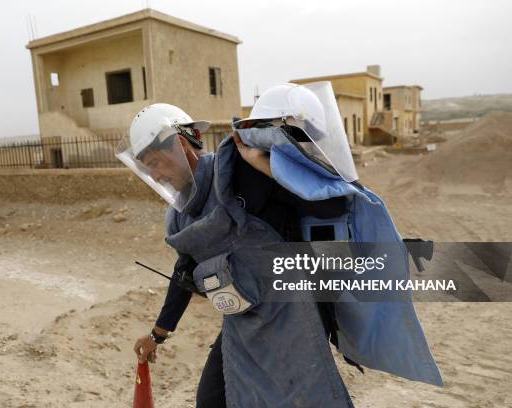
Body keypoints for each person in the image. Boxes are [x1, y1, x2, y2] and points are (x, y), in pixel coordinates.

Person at [118, 83, 442, 408]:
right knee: (213, 400)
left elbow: (329, 206)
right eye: (148, 169)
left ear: (179, 146)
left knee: (305, 398)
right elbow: (183, 271)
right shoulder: (180, 216)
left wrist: (261, 163)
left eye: (156, 162)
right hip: (244, 323)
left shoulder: (239, 171)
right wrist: (158, 334)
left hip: (293, 315)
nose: (156, 176)